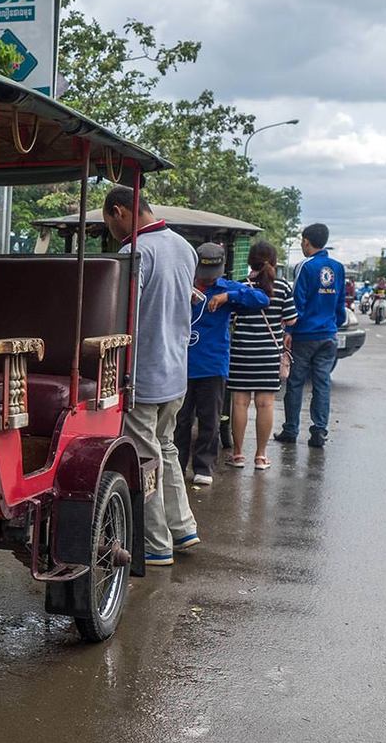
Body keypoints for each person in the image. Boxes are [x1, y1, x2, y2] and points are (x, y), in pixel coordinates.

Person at [100, 185, 199, 567]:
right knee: (167, 447)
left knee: (146, 456)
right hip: (176, 371)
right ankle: (183, 526)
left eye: (109, 220)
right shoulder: (183, 246)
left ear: (120, 211)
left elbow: (121, 315)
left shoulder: (134, 253)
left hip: (143, 373)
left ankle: (157, 543)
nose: (111, 228)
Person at [176, 242, 269, 486]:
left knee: (210, 419)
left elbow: (261, 299)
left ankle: (203, 466)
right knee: (180, 419)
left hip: (213, 365)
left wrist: (229, 296)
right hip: (181, 364)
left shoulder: (226, 288)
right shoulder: (182, 284)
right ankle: (175, 466)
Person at [275, 223, 345, 449]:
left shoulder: (304, 266)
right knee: (322, 383)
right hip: (328, 335)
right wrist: (334, 324)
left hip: (305, 335)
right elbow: (340, 303)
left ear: (306, 241)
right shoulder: (338, 267)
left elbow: (298, 302)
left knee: (295, 383)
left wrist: (289, 331)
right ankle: (319, 431)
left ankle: (291, 429)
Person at [227, 240, 296, 470]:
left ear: (250, 261)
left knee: (239, 402)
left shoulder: (239, 286)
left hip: (241, 352)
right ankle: (260, 456)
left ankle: (237, 455)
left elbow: (229, 319)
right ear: (274, 261)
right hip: (268, 353)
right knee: (265, 404)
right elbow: (292, 319)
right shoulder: (283, 287)